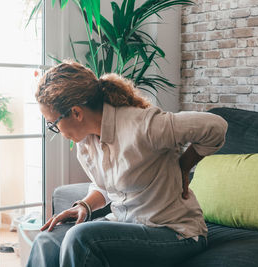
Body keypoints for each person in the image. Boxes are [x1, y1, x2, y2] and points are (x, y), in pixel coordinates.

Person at [27, 60, 228, 267]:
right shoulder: (86, 142)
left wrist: (184, 166)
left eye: (53, 123)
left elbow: (216, 126)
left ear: (76, 113)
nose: (56, 130)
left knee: (80, 238)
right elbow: (105, 185)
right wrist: (85, 205)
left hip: (174, 233)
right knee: (47, 241)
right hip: (125, 225)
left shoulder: (144, 126)